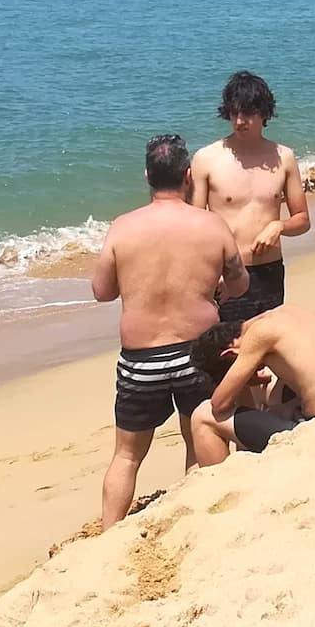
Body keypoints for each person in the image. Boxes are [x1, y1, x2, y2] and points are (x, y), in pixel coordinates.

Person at [91, 132, 250, 529]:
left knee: (127, 455)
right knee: (197, 434)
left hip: (141, 359)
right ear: (188, 175)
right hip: (198, 352)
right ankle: (194, 519)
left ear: (147, 174)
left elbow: (102, 291)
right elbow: (239, 284)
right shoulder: (211, 225)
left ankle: (110, 535)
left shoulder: (123, 228)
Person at [189, 70, 309, 325]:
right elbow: (195, 227)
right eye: (234, 113)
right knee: (228, 353)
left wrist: (279, 226)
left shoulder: (284, 157)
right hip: (227, 273)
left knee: (268, 348)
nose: (240, 121)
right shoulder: (207, 159)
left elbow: (302, 220)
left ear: (264, 113)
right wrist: (212, 271)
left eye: (247, 113)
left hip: (270, 272)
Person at [189, 305, 315, 463]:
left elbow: (218, 404)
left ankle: (217, 485)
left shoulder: (258, 334)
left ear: (230, 354)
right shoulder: (293, 312)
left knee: (203, 416)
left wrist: (243, 381)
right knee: (271, 397)